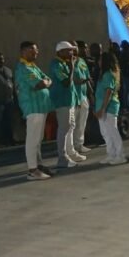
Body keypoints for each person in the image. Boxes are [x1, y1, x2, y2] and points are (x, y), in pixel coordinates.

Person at [14, 41, 55, 180]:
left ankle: (38, 165)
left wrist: (46, 82)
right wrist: (46, 82)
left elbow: (47, 79)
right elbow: (40, 83)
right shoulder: (23, 68)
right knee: (32, 139)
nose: (36, 53)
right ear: (23, 52)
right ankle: (32, 170)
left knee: (38, 139)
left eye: (36, 50)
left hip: (41, 106)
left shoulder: (33, 66)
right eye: (32, 50)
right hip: (33, 107)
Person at [49, 41, 85, 169]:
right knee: (64, 129)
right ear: (60, 52)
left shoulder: (65, 63)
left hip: (70, 101)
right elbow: (66, 82)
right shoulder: (56, 64)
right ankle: (62, 158)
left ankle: (70, 153)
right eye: (69, 50)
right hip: (62, 101)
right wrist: (72, 67)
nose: (72, 53)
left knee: (70, 127)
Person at [95, 52, 127, 165]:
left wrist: (103, 108)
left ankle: (120, 155)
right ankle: (111, 154)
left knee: (112, 131)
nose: (98, 62)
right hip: (102, 107)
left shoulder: (108, 75)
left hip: (109, 107)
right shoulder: (104, 74)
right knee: (105, 132)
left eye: (100, 60)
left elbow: (108, 92)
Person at [72, 41, 92, 154]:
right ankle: (71, 147)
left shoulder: (82, 61)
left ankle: (79, 144)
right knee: (73, 123)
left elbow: (87, 78)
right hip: (73, 97)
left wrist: (91, 93)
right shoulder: (68, 62)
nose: (86, 50)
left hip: (83, 96)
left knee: (82, 122)